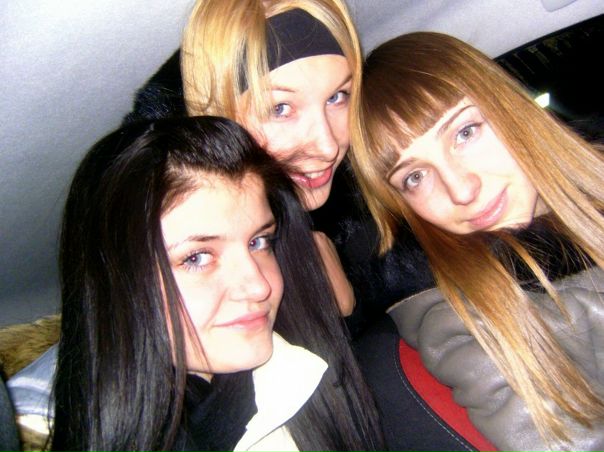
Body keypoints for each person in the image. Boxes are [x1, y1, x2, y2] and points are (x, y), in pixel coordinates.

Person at [49, 116, 384, 452]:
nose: (259, 287)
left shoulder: (302, 372)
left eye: (259, 242)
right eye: (197, 257)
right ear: (117, 283)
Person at [350, 32, 604, 451]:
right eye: (415, 177)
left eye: (465, 132)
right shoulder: (457, 316)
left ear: (507, 105)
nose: (462, 190)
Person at [122, 0, 434, 335]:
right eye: (280, 108)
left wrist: (350, 305)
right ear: (217, 114)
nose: (328, 146)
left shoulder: (367, 198)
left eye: (337, 97)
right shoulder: (165, 248)